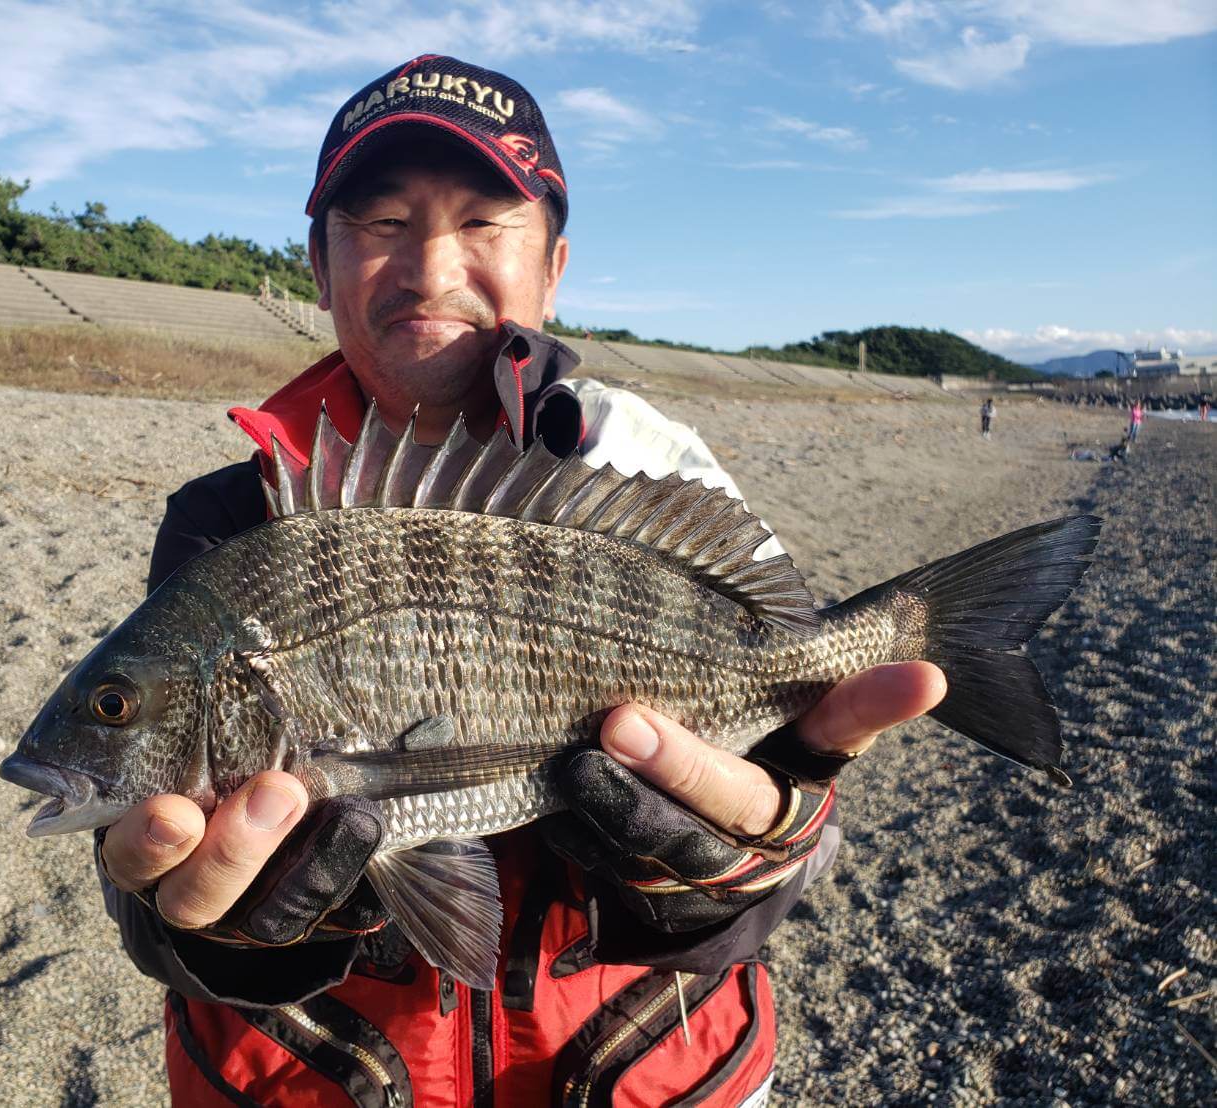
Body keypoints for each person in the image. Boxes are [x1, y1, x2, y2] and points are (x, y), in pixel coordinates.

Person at [97, 56, 944, 1106]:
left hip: (646, 1069)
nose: (429, 266)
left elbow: (782, 816)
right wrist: (208, 928)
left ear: (553, 265)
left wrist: (751, 858)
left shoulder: (645, 466)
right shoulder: (232, 520)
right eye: (381, 222)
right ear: (318, 266)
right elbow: (146, 856)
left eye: (483, 221)